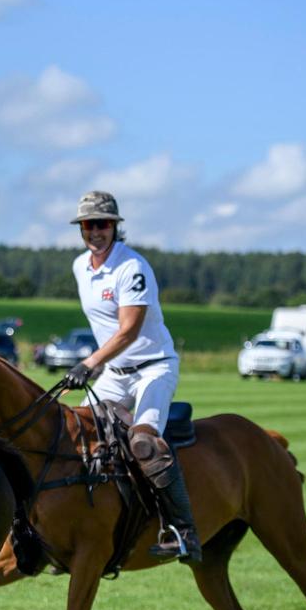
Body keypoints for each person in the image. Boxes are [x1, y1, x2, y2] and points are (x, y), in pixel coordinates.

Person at [61, 191, 201, 563]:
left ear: (115, 227)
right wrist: (100, 364)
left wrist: (90, 363)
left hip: (153, 367)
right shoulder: (81, 267)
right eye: (89, 225)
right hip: (114, 373)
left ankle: (182, 531)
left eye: (103, 224)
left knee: (144, 444)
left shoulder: (132, 268)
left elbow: (129, 331)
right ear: (81, 229)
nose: (96, 232)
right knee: (74, 432)